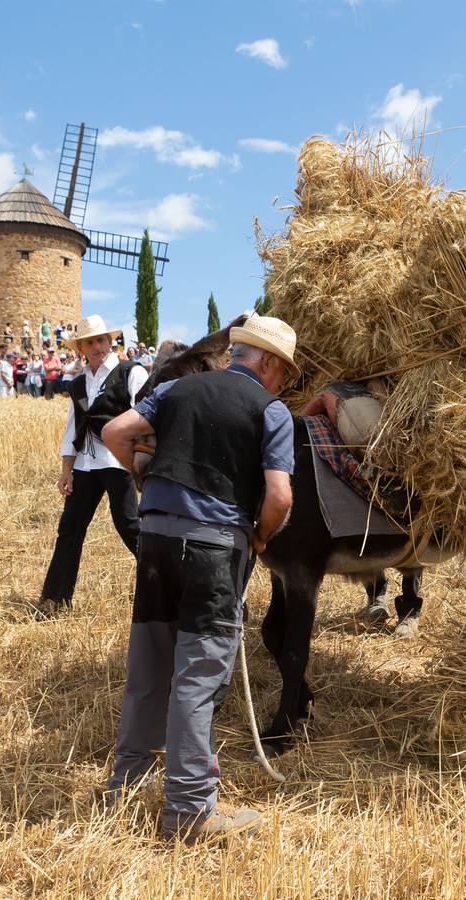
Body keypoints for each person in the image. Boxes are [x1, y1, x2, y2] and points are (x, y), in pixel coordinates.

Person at [101, 314, 297, 843]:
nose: (283, 383)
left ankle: (126, 782)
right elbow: (279, 496)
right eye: (284, 372)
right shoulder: (271, 411)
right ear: (269, 363)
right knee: (198, 674)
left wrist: (143, 483)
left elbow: (116, 432)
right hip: (214, 547)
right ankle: (190, 810)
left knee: (150, 659)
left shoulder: (179, 387)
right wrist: (258, 536)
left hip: (156, 540)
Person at [34, 316, 149, 616]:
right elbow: (72, 428)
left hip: (118, 463)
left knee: (130, 527)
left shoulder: (131, 373)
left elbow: (148, 416)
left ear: (110, 342)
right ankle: (55, 599)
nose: (97, 346)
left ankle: (166, 584)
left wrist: (139, 463)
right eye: (90, 342)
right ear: (82, 348)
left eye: (101, 340)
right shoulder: (78, 383)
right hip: (85, 465)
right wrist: (65, 471)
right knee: (69, 529)